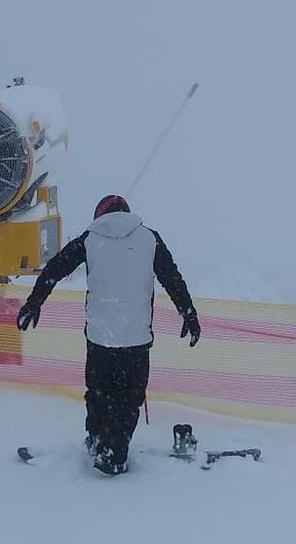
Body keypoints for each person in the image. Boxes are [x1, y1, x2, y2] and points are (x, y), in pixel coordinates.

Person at [14, 194, 199, 475]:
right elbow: (171, 278)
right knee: (128, 398)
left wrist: (34, 302)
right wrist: (188, 313)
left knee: (99, 393)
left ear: (100, 215)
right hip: (135, 338)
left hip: (100, 336)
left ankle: (98, 440)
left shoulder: (90, 238)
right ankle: (113, 452)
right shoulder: (149, 239)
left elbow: (56, 268)